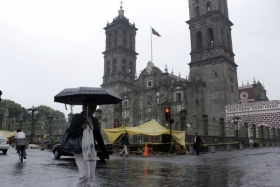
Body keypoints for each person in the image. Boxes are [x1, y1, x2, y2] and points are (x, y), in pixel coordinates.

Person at [68, 99, 109, 187]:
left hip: (91, 149)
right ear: (84, 107)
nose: (93, 109)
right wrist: (81, 128)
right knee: (84, 175)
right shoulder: (77, 117)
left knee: (90, 177)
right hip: (80, 149)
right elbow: (71, 133)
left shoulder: (94, 120)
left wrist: (105, 152)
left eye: (94, 107)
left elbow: (98, 136)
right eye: (90, 107)